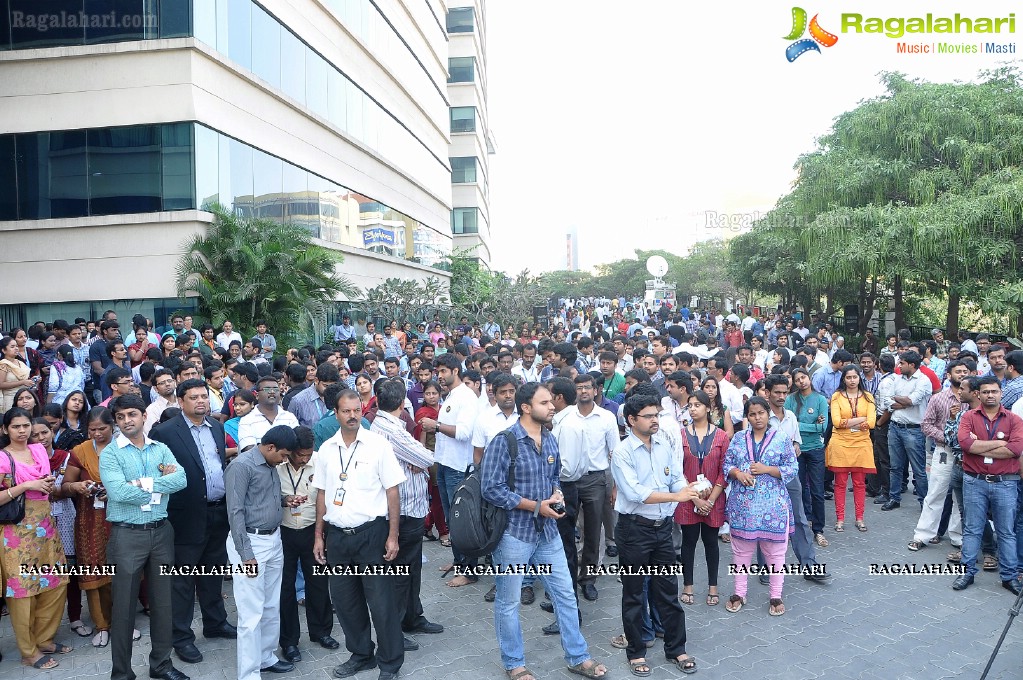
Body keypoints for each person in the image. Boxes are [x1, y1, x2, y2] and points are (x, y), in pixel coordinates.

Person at [482, 383, 609, 680]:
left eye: (551, 402)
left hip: (547, 533)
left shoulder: (550, 438)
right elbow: (491, 489)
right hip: (514, 535)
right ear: (526, 407)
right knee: (509, 600)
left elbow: (555, 477)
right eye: (545, 402)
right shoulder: (505, 441)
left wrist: (555, 496)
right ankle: (514, 664)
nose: (552, 406)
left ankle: (578, 657)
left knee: (565, 595)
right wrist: (535, 506)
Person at [312, 389, 406, 680]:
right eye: (346, 411)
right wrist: (319, 536)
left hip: (372, 535)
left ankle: (390, 662)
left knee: (381, 602)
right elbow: (322, 494)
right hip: (338, 537)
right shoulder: (326, 449)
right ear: (336, 414)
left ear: (362, 410)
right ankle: (361, 654)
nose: (352, 416)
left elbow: (393, 490)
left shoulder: (378, 445)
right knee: (345, 601)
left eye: (356, 410)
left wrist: (393, 535)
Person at [100, 395, 189, 680]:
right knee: (124, 608)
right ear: (116, 421)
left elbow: (181, 480)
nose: (127, 421)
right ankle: (122, 673)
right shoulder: (111, 454)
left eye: (132, 414)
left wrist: (142, 484)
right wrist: (160, 486)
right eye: (121, 416)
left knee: (163, 602)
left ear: (142, 416)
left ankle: (161, 665)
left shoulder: (160, 449)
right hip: (127, 535)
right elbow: (118, 493)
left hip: (161, 531)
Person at [610, 392, 697, 675]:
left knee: (668, 591)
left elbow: (677, 477)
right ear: (632, 420)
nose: (654, 420)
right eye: (648, 416)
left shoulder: (665, 443)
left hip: (662, 529)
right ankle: (636, 652)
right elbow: (636, 493)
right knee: (634, 592)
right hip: (634, 530)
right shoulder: (622, 452)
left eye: (656, 415)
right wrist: (678, 496)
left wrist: (687, 490)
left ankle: (677, 649)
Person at [149, 379, 235, 664]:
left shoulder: (217, 427)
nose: (201, 401)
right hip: (185, 516)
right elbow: (160, 474)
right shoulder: (164, 432)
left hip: (218, 512)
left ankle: (215, 623)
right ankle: (181, 637)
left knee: (212, 573)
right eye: (194, 397)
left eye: (204, 397)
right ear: (181, 401)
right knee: (183, 581)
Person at [368, 379, 444, 645]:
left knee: (410, 569)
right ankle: (395, 631)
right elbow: (428, 458)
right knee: (399, 574)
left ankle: (413, 617)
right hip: (401, 511)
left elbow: (420, 459)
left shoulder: (384, 425)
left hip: (409, 507)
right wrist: (418, 461)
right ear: (402, 404)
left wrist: (417, 461)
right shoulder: (390, 429)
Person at [226, 425, 302, 678]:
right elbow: (235, 512)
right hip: (250, 544)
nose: (284, 461)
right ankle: (248, 673)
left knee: (271, 605)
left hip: (273, 540)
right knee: (251, 613)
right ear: (270, 447)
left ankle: (266, 657)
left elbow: (260, 499)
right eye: (282, 455)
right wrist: (246, 555)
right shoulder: (241, 466)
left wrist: (284, 501)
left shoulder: (270, 465)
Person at [0, 407, 69, 669]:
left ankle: (44, 639)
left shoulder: (39, 450)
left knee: (55, 582)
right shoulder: (3, 458)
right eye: (16, 426)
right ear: (6, 429)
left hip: (45, 525)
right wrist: (26, 485)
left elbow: (45, 482)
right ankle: (28, 651)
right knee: (23, 591)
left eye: (25, 425)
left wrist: (47, 484)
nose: (22, 431)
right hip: (16, 532)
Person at [723, 397, 798, 617]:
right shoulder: (738, 438)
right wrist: (739, 474)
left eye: (761, 413)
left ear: (768, 414)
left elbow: (792, 468)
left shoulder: (782, 438)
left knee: (775, 554)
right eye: (752, 414)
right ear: (747, 416)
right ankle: (739, 593)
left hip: (772, 508)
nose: (757, 418)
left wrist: (767, 469)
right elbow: (727, 464)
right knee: (741, 552)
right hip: (743, 507)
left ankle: (776, 595)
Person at [952, 377, 1023, 595]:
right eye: (985, 392)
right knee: (972, 529)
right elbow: (964, 443)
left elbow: (1015, 449)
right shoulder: (968, 417)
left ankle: (1009, 577)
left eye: (994, 391)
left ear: (1001, 393)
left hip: (1006, 483)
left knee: (1006, 531)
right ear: (978, 394)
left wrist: (977, 447)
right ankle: (967, 573)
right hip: (975, 481)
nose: (990, 395)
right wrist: (1000, 443)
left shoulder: (1014, 419)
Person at [63, 408, 126, 648]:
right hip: (90, 520)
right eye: (92, 430)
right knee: (93, 571)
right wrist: (79, 486)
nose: (97, 434)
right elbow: (65, 486)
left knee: (121, 571)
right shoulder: (80, 451)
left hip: (120, 516)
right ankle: (101, 625)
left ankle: (121, 622)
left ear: (113, 427)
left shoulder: (125, 448)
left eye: (102, 429)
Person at [417, 353, 479, 586]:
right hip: (444, 464)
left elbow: (464, 433)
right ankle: (458, 561)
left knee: (461, 519)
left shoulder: (467, 397)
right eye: (438, 372)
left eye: (443, 371)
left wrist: (436, 426)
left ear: (455, 371)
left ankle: (469, 570)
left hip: (458, 467)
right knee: (451, 519)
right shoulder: (452, 396)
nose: (439, 376)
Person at [277, 426, 338, 664]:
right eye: (300, 454)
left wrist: (320, 535)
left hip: (314, 531)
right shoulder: (277, 464)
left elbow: (326, 498)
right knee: (285, 588)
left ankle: (321, 632)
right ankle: (289, 641)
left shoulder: (320, 461)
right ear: (290, 451)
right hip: (283, 532)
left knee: (319, 583)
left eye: (308, 454)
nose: (304, 458)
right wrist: (285, 500)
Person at [31, 416, 91, 640]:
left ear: (52, 432)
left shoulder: (65, 457)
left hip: (65, 516)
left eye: (44, 432)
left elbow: (66, 489)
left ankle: (75, 617)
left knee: (71, 569)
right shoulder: (26, 460)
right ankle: (43, 627)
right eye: (35, 434)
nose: (40, 438)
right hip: (36, 521)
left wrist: (55, 489)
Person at [675, 390, 730, 607]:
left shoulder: (721, 436)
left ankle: (713, 586)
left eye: (698, 405)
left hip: (713, 500)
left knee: (711, 543)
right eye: (690, 405)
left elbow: (724, 470)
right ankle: (688, 585)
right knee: (688, 543)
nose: (694, 408)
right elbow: (676, 471)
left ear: (708, 408)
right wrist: (695, 498)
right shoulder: (679, 435)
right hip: (688, 498)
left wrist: (711, 499)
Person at [827, 365, 877, 532]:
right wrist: (860, 419)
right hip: (840, 442)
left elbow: (871, 423)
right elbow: (836, 422)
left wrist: (848, 423)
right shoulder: (836, 396)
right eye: (848, 377)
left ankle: (860, 518)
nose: (852, 380)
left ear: (859, 378)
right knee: (840, 483)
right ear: (844, 379)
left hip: (861, 443)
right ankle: (840, 519)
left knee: (859, 483)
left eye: (855, 377)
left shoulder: (868, 397)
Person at [883, 351, 932, 511]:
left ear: (911, 365)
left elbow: (913, 400)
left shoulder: (923, 381)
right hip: (895, 427)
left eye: (902, 363)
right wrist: (904, 401)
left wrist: (900, 399)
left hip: (914, 430)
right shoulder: (897, 378)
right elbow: (887, 401)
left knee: (918, 469)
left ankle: (924, 502)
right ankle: (894, 497)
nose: (898, 365)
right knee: (895, 466)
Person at [786, 368, 828, 540]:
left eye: (803, 377)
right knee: (799, 489)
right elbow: (788, 427)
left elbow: (823, 428)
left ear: (809, 378)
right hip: (796, 450)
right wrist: (812, 425)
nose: (801, 381)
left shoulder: (820, 399)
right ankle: (802, 524)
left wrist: (799, 425)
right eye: (797, 380)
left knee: (817, 490)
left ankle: (818, 529)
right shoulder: (790, 400)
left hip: (816, 449)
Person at [237, 376, 299, 451]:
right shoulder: (246, 421)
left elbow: (297, 444)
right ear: (257, 395)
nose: (272, 392)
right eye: (267, 389)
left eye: (276, 389)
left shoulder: (290, 417)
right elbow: (249, 450)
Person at [1, 335, 35, 414]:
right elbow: (1, 384)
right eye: (12, 347)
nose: (16, 348)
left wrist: (32, 381)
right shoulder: (3, 364)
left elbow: (25, 380)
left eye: (16, 346)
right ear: (4, 350)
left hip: (24, 398)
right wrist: (22, 382)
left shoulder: (20, 362)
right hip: (10, 399)